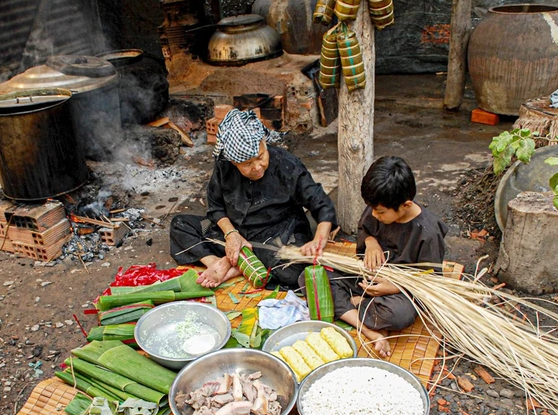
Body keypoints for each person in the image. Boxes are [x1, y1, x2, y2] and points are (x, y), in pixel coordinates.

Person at [169, 109, 337, 289]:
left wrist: (319, 238)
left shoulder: (286, 164)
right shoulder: (225, 165)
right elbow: (215, 207)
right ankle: (217, 263)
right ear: (233, 162)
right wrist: (231, 234)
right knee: (181, 225)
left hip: (277, 236)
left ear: (264, 143)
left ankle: (234, 265)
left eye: (260, 157)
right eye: (247, 164)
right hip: (234, 233)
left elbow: (322, 204)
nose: (257, 167)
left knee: (290, 270)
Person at [320, 156, 447, 356]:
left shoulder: (428, 232)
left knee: (399, 315)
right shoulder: (377, 206)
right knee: (315, 276)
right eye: (373, 210)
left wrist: (394, 286)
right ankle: (370, 327)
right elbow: (364, 229)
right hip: (366, 275)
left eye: (380, 213)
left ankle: (356, 307)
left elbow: (430, 279)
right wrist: (371, 242)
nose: (375, 216)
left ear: (405, 205)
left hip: (402, 291)